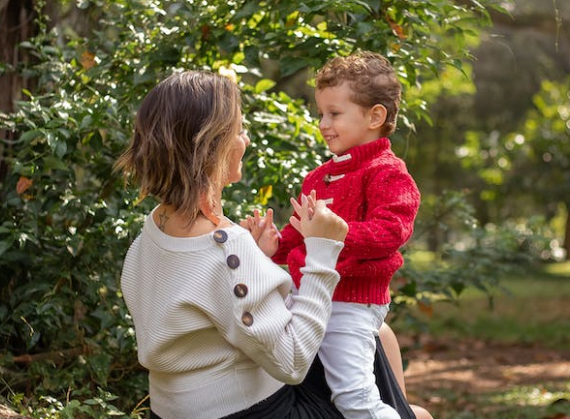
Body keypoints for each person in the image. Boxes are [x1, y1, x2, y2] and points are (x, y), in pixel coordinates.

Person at [114, 70, 351, 419]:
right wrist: (322, 252)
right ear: (210, 147)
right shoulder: (229, 249)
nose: (246, 139)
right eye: (239, 129)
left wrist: (255, 260)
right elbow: (293, 362)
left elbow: (208, 303)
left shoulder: (155, 226)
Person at [243, 51, 421, 419]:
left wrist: (334, 234)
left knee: (354, 400)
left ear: (375, 116)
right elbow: (300, 236)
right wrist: (274, 246)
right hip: (305, 295)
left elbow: (392, 232)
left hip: (350, 303)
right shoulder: (318, 177)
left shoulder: (388, 173)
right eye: (321, 113)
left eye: (335, 114)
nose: (323, 123)